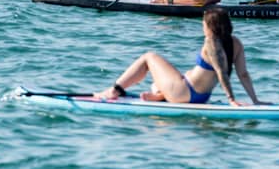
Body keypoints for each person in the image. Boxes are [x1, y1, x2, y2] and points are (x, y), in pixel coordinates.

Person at [95, 7, 263, 106]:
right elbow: (243, 74)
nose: (202, 26)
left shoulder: (212, 43)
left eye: (204, 23)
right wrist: (255, 101)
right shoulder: (236, 43)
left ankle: (114, 90)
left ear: (210, 26)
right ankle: (159, 96)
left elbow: (221, 72)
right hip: (201, 97)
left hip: (185, 92)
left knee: (149, 57)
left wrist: (231, 100)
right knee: (157, 83)